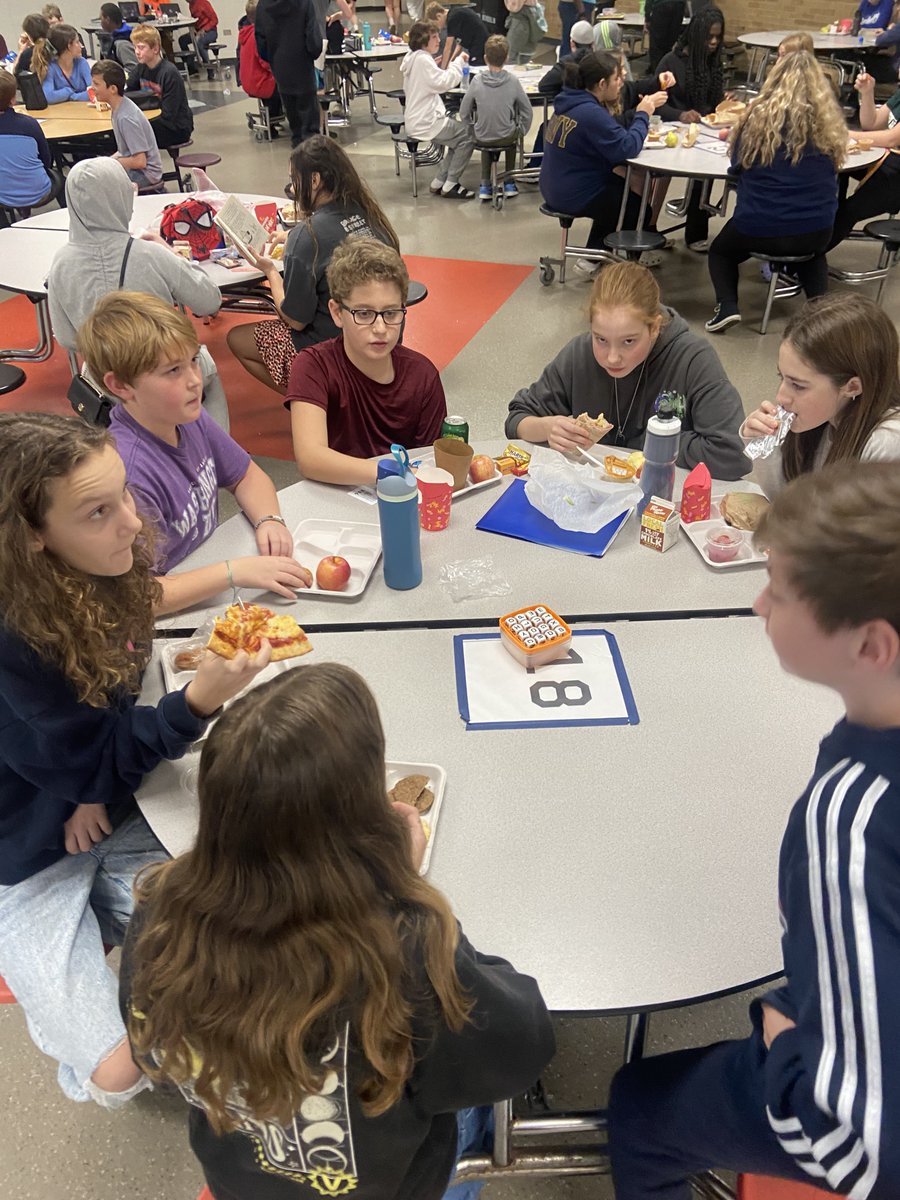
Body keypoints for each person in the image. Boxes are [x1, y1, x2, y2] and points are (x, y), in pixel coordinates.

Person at [119, 662, 556, 1200]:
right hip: (388, 1185)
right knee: (476, 1109)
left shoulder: (159, 909)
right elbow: (523, 1045)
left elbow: (152, 1051)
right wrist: (404, 892)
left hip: (239, 1178)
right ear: (361, 820)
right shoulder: (405, 946)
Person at [609, 458, 900, 1200]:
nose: (759, 606)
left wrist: (787, 1053)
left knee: (640, 1109)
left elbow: (863, 1148)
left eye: (780, 590)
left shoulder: (854, 820)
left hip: (842, 1107)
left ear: (871, 645)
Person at [0, 411, 273, 1109]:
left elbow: (107, 708)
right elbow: (82, 745)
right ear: (32, 536)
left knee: (250, 925)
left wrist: (89, 785)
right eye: (98, 511)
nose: (130, 522)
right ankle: (76, 1030)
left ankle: (121, 961)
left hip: (105, 804)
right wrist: (195, 703)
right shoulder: (13, 643)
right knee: (117, 1076)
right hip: (25, 860)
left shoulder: (98, 569)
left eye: (124, 494)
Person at [78, 292, 313, 613]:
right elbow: (139, 595)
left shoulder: (187, 416)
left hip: (205, 572)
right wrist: (235, 572)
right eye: (173, 371)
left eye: (193, 360)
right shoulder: (127, 472)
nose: (194, 381)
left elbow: (245, 474)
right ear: (120, 386)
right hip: (174, 609)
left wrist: (269, 519)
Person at [506, 260, 749, 479]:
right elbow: (517, 419)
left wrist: (650, 442)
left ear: (654, 328)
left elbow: (733, 454)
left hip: (663, 499)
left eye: (629, 341)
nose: (612, 358)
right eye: (600, 339)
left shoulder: (693, 360)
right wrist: (547, 428)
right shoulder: (579, 353)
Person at [227, 135, 399, 395]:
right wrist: (292, 237)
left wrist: (271, 271)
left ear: (315, 180)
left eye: (294, 180)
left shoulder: (308, 237)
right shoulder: (369, 214)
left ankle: (312, 400)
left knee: (235, 339)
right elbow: (340, 238)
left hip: (334, 350)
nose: (293, 189)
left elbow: (295, 320)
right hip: (383, 341)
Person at [703, 50, 846, 334]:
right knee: (813, 254)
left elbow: (736, 167)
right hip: (816, 229)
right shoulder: (829, 126)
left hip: (759, 225)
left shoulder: (756, 120)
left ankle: (727, 306)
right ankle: (823, 317)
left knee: (720, 252)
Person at [286, 237, 447, 486]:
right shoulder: (313, 366)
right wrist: (392, 473)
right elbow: (310, 458)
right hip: (338, 499)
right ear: (337, 313)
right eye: (364, 313)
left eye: (391, 313)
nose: (380, 328)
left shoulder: (422, 375)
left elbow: (429, 459)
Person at [47, 156, 221, 377]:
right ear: (121, 197)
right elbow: (209, 302)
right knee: (205, 368)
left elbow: (66, 337)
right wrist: (168, 249)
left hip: (104, 379)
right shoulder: (150, 254)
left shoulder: (60, 263)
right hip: (164, 372)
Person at [739, 293, 900, 496]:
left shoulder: (887, 444)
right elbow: (786, 503)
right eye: (782, 377)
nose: (781, 397)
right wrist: (764, 446)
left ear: (852, 387)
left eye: (798, 386)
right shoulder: (826, 416)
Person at [539, 52, 667, 262]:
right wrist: (643, 113)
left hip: (554, 185)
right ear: (601, 84)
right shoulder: (590, 112)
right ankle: (630, 265)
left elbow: (609, 132)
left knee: (619, 192)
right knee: (635, 207)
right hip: (572, 193)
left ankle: (593, 256)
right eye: (616, 79)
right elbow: (628, 148)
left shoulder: (569, 102)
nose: (620, 84)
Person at [655, 7, 726, 249]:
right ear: (696, 36)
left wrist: (725, 105)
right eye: (709, 37)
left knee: (705, 173)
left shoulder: (713, 62)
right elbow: (654, 104)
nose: (714, 42)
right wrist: (680, 114)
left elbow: (713, 104)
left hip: (704, 132)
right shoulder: (671, 62)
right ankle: (649, 228)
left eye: (718, 37)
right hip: (671, 131)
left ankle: (696, 232)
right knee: (660, 175)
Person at [827, 65, 900, 251]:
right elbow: (871, 124)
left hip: (896, 171)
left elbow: (891, 138)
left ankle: (805, 262)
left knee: (849, 211)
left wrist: (845, 134)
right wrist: (868, 93)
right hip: (890, 160)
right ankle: (828, 216)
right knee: (835, 171)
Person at [401, 21, 476, 200]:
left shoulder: (414, 57)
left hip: (416, 119)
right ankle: (451, 183)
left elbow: (426, 79)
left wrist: (434, 66)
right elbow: (443, 83)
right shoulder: (422, 60)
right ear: (422, 41)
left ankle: (440, 180)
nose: (438, 40)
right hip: (426, 121)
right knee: (468, 136)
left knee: (457, 139)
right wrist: (458, 62)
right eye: (433, 37)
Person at [459, 34, 531, 203]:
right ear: (506, 58)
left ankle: (485, 184)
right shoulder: (513, 81)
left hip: (481, 137)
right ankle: (509, 182)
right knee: (511, 136)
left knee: (485, 133)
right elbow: (527, 109)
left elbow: (464, 112)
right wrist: (522, 130)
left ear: (485, 58)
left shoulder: (476, 81)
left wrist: (471, 130)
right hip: (506, 135)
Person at [254, 0, 322, 148]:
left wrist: (273, 59)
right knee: (310, 129)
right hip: (303, 66)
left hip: (280, 68)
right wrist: (313, 53)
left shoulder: (263, 5)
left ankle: (298, 157)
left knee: (295, 128)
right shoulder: (304, 3)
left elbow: (260, 42)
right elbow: (314, 40)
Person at [90, 58, 164, 191]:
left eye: (96, 84)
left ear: (112, 89)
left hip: (146, 174)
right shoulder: (118, 108)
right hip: (138, 168)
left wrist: (111, 163)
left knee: (98, 188)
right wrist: (103, 163)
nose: (92, 88)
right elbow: (124, 151)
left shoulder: (126, 117)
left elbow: (140, 161)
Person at [0, 67, 63, 217]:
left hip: (3, 195)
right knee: (64, 181)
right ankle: (69, 218)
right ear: (13, 99)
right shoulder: (29, 124)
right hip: (39, 191)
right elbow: (46, 159)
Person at [126, 23, 193, 149]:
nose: (136, 52)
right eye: (135, 47)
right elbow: (127, 91)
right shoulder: (141, 68)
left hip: (176, 127)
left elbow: (169, 114)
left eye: (141, 48)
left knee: (130, 133)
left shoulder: (169, 73)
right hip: (155, 121)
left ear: (155, 49)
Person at [238, 0, 282, 125]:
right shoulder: (259, 36)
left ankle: (273, 118)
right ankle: (273, 122)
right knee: (287, 86)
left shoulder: (245, 33)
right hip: (261, 82)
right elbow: (265, 62)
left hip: (249, 81)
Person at [33, 22, 91, 102]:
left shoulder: (82, 63)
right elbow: (48, 96)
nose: (81, 45)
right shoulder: (51, 67)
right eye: (77, 42)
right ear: (69, 46)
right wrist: (68, 91)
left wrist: (72, 97)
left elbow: (94, 92)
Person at [538, 17, 594, 99]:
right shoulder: (601, 61)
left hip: (570, 107)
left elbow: (544, 86)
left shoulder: (566, 63)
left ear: (572, 43)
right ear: (593, 43)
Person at [425, 2, 489, 66]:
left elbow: (448, 48)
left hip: (480, 44)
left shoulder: (452, 18)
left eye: (436, 24)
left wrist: (443, 70)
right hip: (476, 44)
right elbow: (459, 45)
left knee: (474, 64)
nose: (437, 27)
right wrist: (451, 63)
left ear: (438, 16)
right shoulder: (455, 14)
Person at [178, 0, 219, 80]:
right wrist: (193, 27)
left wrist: (203, 30)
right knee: (182, 40)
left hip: (211, 31)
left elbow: (215, 20)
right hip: (198, 31)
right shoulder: (191, 5)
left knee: (199, 42)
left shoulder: (203, 3)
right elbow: (196, 20)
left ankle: (209, 70)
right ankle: (192, 69)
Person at [644, 0, 685, 73]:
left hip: (661, 6)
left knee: (656, 46)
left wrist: (647, 17)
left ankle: (658, 74)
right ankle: (670, 72)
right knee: (671, 43)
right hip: (679, 5)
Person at [503, 0, 544, 65]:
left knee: (511, 57)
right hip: (532, 15)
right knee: (526, 57)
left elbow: (513, 6)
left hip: (520, 21)